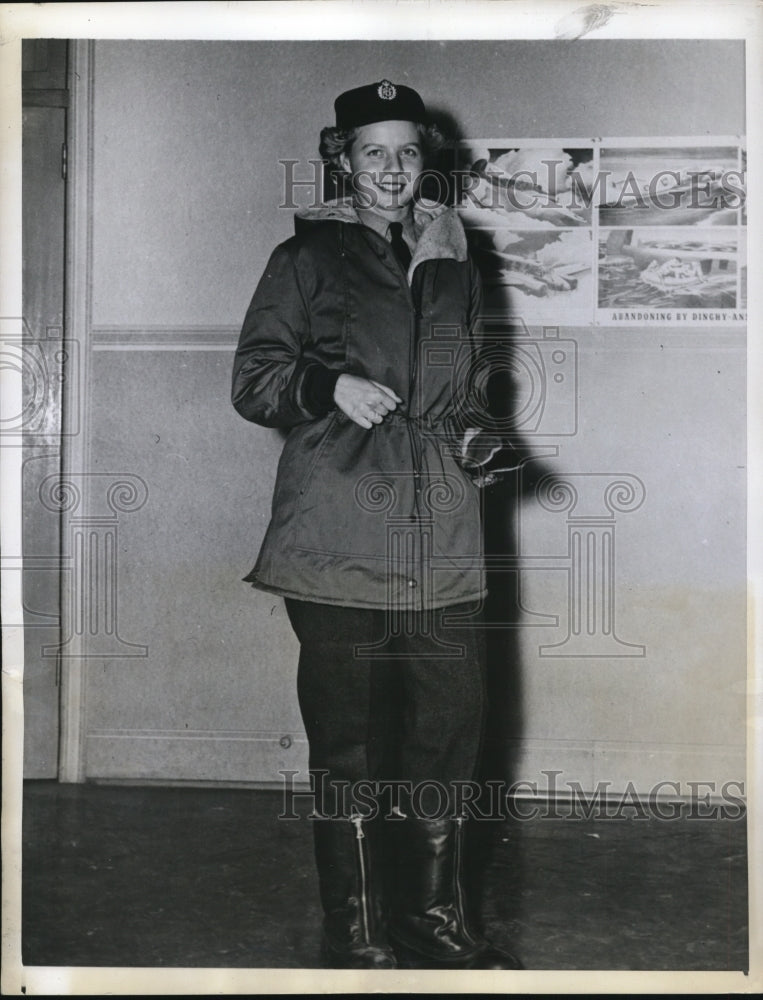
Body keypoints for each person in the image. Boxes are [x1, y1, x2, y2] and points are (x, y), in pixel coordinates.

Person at [232, 79, 521, 971]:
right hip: (335, 533)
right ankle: (355, 925)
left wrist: (480, 435)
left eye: (406, 151)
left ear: (424, 158)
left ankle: (430, 919)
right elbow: (253, 382)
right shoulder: (304, 258)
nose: (392, 170)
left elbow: (462, 390)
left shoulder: (454, 256)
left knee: (447, 730)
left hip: (439, 533)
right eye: (372, 153)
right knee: (350, 739)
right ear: (341, 160)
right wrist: (329, 387)